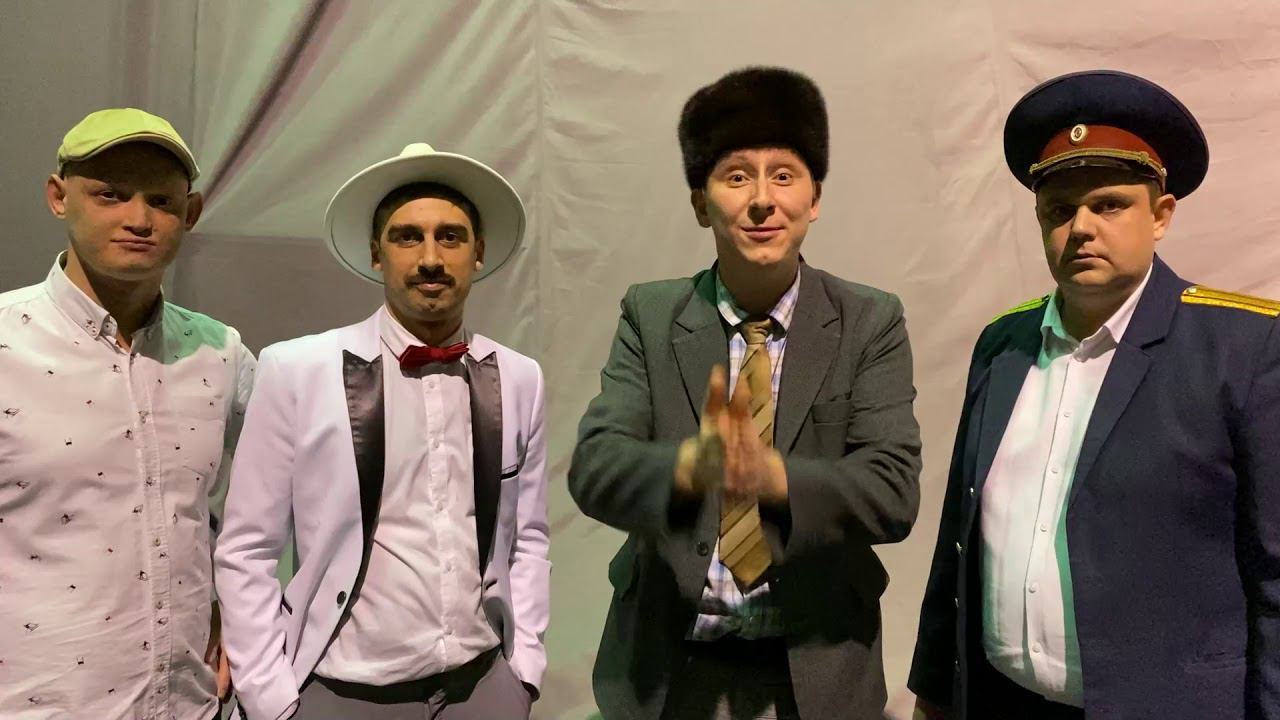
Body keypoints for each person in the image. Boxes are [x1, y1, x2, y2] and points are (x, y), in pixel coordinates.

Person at [909, 70, 1280, 720]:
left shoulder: (1244, 348)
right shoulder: (1003, 345)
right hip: (1005, 704)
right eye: (1059, 210)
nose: (1080, 227)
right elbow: (960, 541)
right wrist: (935, 694)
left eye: (1108, 205)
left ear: (1160, 216)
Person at [569, 66, 923, 720]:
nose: (762, 200)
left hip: (816, 674)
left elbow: (893, 491)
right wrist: (688, 467)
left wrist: (773, 477)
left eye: (784, 175)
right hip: (669, 673)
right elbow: (595, 467)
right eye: (736, 177)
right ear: (700, 203)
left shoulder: (869, 320)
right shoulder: (651, 315)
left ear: (814, 199)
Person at [214, 143, 550, 720]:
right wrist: (270, 698)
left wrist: (525, 672)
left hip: (483, 688)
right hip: (341, 692)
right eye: (407, 237)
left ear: (478, 253)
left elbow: (530, 538)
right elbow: (247, 547)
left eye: (450, 237)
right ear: (377, 253)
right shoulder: (297, 370)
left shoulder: (519, 377)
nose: (430, 258)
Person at [0, 108, 254, 719]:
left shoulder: (221, 354)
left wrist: (245, 612)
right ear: (59, 198)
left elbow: (275, 509)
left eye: (161, 201)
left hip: (190, 706)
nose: (138, 219)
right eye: (110, 195)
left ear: (190, 214)